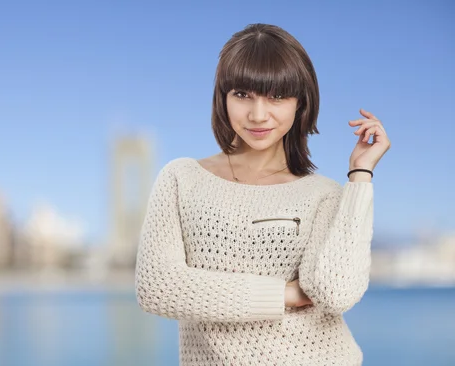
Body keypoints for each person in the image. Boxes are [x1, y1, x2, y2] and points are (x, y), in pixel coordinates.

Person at [134, 23, 391, 365]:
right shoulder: (182, 179)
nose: (258, 114)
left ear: (300, 103)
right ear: (222, 98)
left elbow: (335, 293)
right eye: (242, 94)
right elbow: (158, 288)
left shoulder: (322, 194)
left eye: (276, 96)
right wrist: (283, 294)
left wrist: (360, 175)